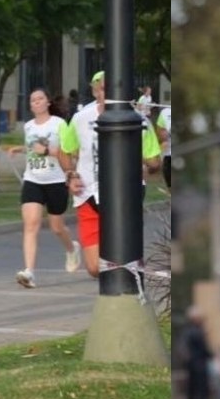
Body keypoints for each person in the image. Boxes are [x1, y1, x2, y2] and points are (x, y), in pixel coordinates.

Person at [61, 71, 163, 277]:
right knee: (93, 267)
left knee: (122, 258)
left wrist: (144, 163)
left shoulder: (139, 120)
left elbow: (154, 161)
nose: (105, 94)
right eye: (101, 89)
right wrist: (71, 174)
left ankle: (124, 298)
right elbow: (64, 151)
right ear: (95, 91)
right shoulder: (81, 119)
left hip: (125, 195)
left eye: (111, 90)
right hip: (88, 193)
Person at [4, 88, 80, 288]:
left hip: (56, 180)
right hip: (33, 179)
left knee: (56, 227)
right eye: (32, 100)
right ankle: (29, 272)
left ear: (47, 103)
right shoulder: (28, 126)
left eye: (40, 99)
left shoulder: (59, 124)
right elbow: (33, 150)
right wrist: (20, 149)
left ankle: (71, 249)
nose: (36, 102)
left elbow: (68, 153)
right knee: (31, 224)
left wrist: (47, 150)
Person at [182, 307, 212, 399]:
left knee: (192, 389)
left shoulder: (187, 331)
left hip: (191, 364)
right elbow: (204, 348)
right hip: (199, 364)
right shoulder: (198, 332)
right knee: (201, 389)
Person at [156, 103, 172, 188]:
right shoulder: (165, 112)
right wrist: (163, 138)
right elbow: (160, 130)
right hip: (169, 153)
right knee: (168, 176)